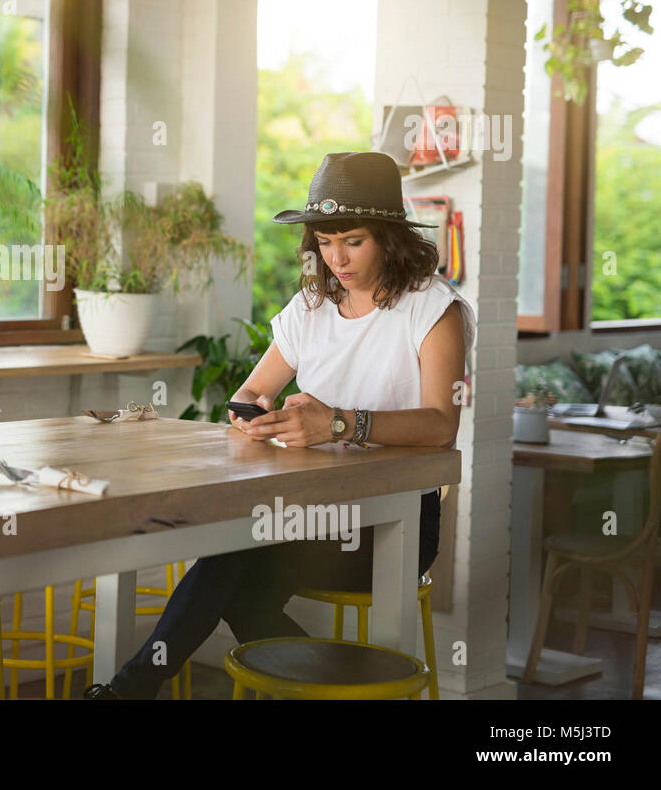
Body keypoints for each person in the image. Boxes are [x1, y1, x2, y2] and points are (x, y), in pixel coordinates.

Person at [84, 151, 476, 699]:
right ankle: (133, 690)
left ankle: (128, 690)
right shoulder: (310, 309)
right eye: (324, 241)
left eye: (353, 240)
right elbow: (251, 391)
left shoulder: (433, 310)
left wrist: (337, 424)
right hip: (308, 510)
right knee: (237, 573)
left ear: (389, 236)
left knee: (232, 558)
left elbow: (441, 426)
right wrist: (257, 417)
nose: (336, 257)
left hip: (393, 525)